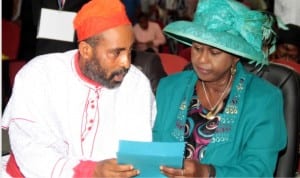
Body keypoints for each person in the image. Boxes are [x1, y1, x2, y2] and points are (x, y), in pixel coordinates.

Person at [1, 0, 156, 177]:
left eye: (130, 51)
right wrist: (90, 171)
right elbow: (30, 150)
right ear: (85, 50)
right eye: (116, 52)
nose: (126, 62)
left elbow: (135, 152)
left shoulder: (136, 84)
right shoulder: (38, 75)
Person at [153, 0, 287, 177]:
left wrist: (208, 173)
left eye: (215, 52)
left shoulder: (264, 99)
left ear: (236, 56)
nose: (202, 60)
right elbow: (152, 151)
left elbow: (259, 170)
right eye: (197, 48)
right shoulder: (169, 88)